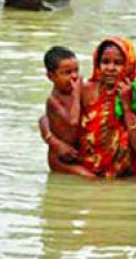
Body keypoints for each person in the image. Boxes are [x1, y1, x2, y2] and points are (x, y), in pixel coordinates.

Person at [78, 37, 136, 180]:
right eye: (105, 62)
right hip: (91, 176)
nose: (110, 68)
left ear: (129, 65)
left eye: (118, 63)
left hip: (126, 178)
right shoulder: (85, 90)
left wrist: (126, 106)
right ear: (97, 64)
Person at [38, 47, 96, 179]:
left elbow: (43, 119)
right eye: (67, 72)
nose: (74, 76)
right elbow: (73, 122)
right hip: (61, 160)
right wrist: (76, 95)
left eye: (76, 71)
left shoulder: (80, 90)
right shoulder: (53, 101)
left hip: (77, 153)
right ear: (51, 76)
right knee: (91, 178)